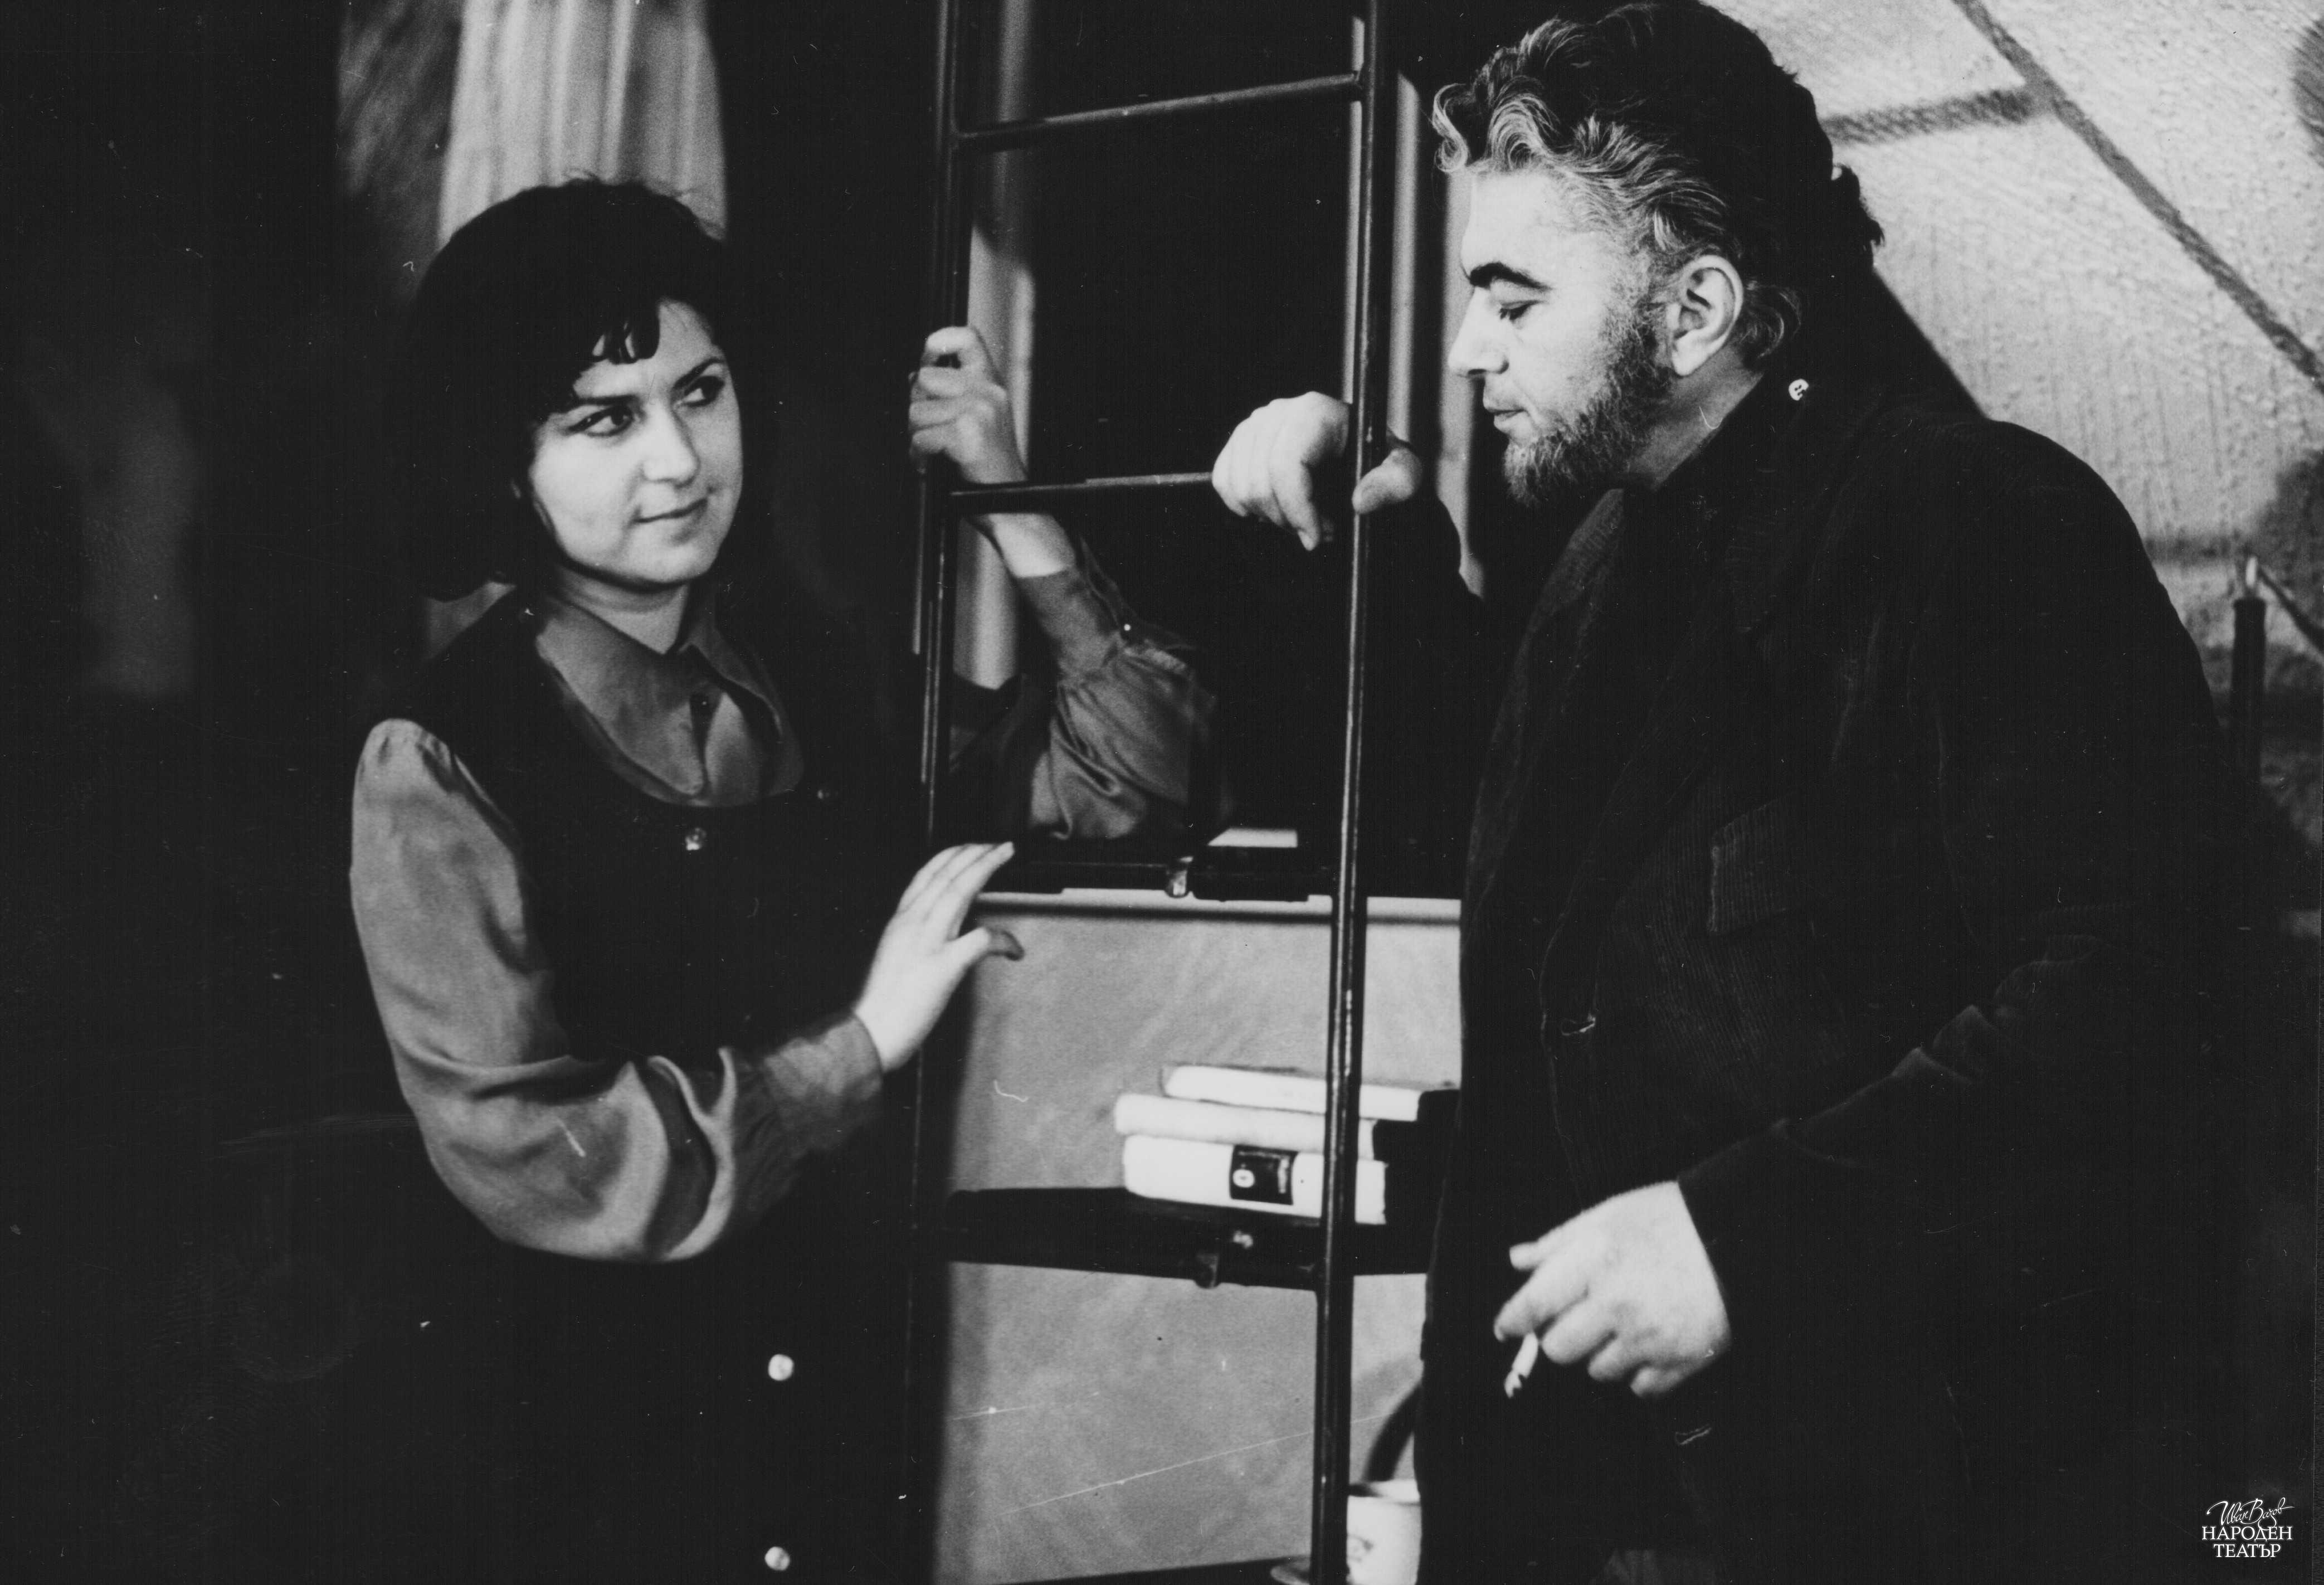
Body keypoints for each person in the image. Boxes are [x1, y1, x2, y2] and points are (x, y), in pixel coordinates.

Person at [1210, 6, 2229, 1581]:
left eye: (1513, 298)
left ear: (1694, 309)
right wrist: (1367, 534)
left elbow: (2147, 999)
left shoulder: (1980, 524)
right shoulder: (1605, 559)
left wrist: (1751, 1242)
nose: (1468, 347)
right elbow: (1566, 876)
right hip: (1580, 1517)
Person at [351, 179, 1207, 1582]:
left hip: (841, 1428)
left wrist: (1010, 499)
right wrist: (857, 1048)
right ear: (505, 465)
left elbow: (1126, 786)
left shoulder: (818, 672)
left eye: (701, 393)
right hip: (585, 1462)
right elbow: (534, 1150)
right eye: (604, 421)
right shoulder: (439, 757)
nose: (680, 460)